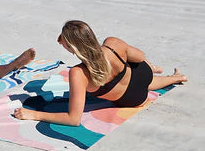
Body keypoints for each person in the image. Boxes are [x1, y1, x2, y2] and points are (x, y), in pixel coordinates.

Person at [14, 20, 188, 126]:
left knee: (138, 85)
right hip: (141, 73)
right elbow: (140, 57)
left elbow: (73, 119)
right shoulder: (112, 43)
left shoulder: (78, 73)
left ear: (71, 47)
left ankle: (174, 77)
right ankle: (171, 75)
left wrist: (34, 114)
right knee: (143, 76)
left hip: (134, 99)